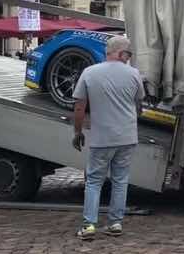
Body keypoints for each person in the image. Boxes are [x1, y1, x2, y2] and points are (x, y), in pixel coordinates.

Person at [72, 36, 145, 241]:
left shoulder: (89, 73)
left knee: (94, 181)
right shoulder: (134, 74)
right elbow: (139, 105)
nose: (129, 58)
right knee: (120, 180)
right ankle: (115, 223)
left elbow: (79, 107)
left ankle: (89, 226)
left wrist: (77, 132)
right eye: (128, 54)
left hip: (101, 137)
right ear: (120, 53)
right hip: (127, 136)